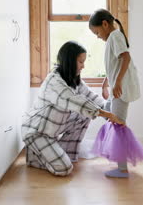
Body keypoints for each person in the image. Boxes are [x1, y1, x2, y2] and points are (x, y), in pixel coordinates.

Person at [21, 41, 123, 176]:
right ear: (70, 61)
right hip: (36, 132)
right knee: (64, 169)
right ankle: (34, 157)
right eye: (81, 62)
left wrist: (111, 112)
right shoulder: (54, 82)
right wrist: (107, 115)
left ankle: (63, 153)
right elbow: (76, 102)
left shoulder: (73, 79)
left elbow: (91, 97)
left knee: (84, 116)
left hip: (52, 130)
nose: (83, 66)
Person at [89, 9, 143, 178]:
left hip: (121, 90)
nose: (97, 36)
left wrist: (118, 82)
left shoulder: (115, 36)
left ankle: (122, 169)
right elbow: (114, 65)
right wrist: (106, 82)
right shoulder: (112, 38)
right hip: (117, 89)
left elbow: (125, 58)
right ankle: (114, 157)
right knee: (109, 116)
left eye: (97, 32)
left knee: (118, 124)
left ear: (105, 25)